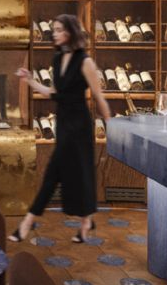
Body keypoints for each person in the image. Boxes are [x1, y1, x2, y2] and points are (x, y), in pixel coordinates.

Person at [12, 14, 113, 244]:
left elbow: (99, 96)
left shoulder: (85, 61)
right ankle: (86, 221)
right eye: (54, 30)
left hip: (80, 125)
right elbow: (53, 93)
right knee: (75, 173)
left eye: (59, 30)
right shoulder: (58, 59)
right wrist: (30, 80)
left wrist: (111, 126)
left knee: (63, 173)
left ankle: (27, 223)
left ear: (71, 31)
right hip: (64, 123)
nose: (55, 34)